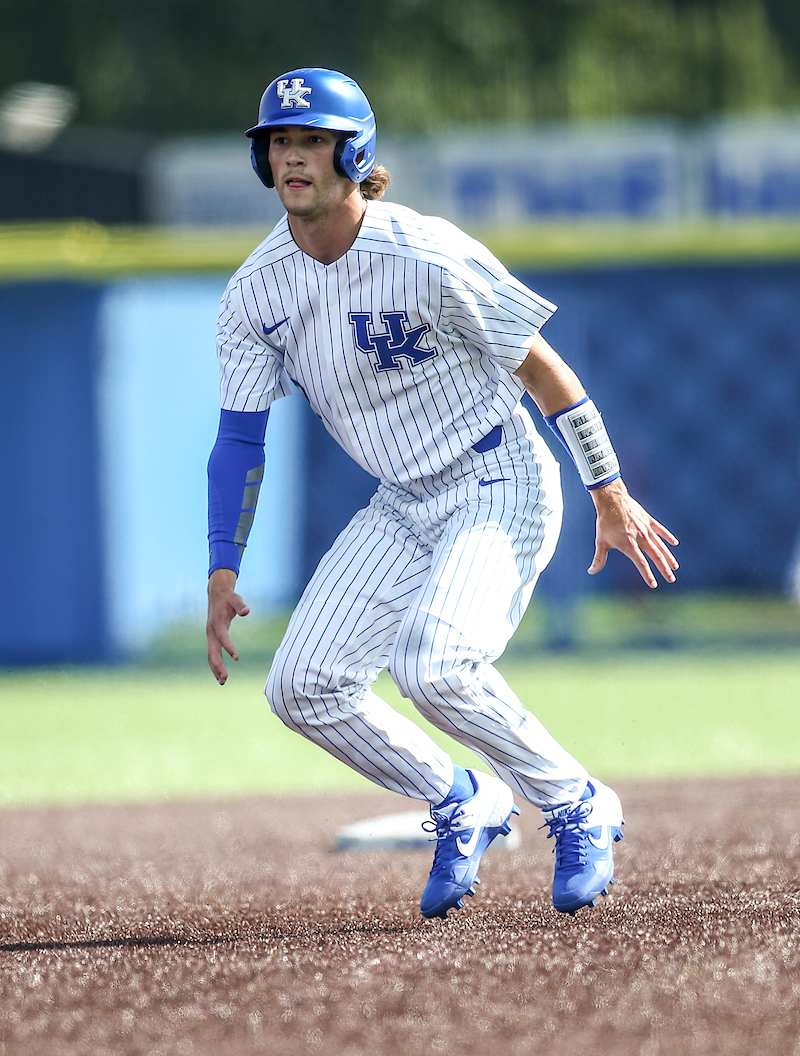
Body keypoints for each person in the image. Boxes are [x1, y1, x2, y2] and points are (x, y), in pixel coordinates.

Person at [206, 68, 679, 919]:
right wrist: (221, 567)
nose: (291, 156)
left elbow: (543, 369)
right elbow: (240, 437)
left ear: (355, 152)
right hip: (401, 500)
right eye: (278, 141)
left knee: (433, 663)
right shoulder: (256, 290)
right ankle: (462, 797)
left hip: (497, 473)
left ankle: (575, 801)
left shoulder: (423, 250)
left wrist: (606, 484)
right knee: (301, 684)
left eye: (311, 138)